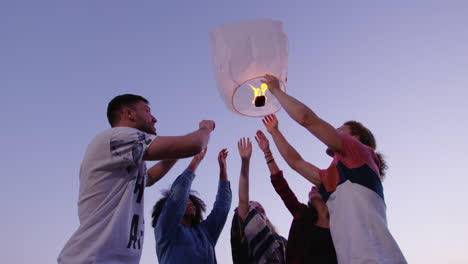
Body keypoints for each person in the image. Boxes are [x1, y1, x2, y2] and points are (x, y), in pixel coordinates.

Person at [262, 74, 407, 264]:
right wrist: (275, 132)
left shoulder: (360, 153)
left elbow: (308, 120)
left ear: (356, 137)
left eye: (340, 130)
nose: (333, 132)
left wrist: (275, 90)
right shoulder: (331, 178)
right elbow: (296, 162)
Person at [58, 94, 215, 264]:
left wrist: (176, 151)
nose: (154, 119)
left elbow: (150, 177)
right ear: (129, 114)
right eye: (147, 111)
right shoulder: (118, 137)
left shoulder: (125, 156)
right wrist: (205, 128)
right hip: (94, 259)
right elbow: (195, 144)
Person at [255, 129, 337, 264]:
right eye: (312, 186)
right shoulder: (302, 214)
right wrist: (267, 152)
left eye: (317, 186)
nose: (312, 187)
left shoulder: (341, 224)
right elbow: (280, 185)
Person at [151, 148, 232, 264]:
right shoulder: (166, 230)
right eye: (185, 201)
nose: (190, 203)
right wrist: (196, 160)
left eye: (191, 201)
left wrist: (223, 168)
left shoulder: (205, 232)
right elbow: (177, 196)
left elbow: (223, 207)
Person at [231, 138, 287, 264]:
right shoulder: (246, 240)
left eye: (260, 208)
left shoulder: (282, 242)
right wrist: (245, 161)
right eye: (253, 209)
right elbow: (243, 200)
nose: (257, 209)